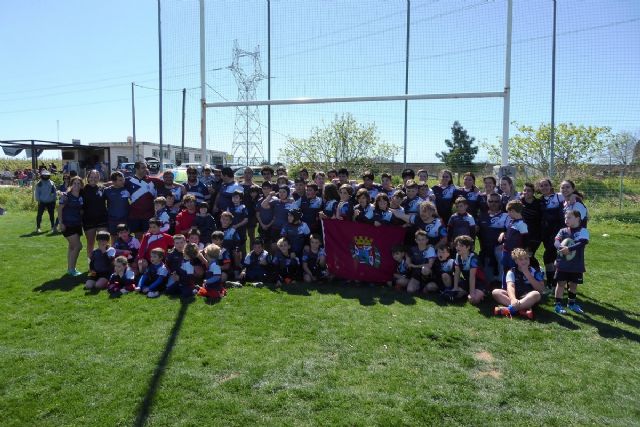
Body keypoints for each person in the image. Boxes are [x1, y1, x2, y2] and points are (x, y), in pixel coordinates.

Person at [553, 210, 590, 314]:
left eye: (569, 217)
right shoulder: (563, 230)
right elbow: (556, 241)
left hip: (576, 264)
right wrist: (561, 247)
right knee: (561, 283)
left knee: (573, 284)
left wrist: (569, 249)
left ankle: (572, 304)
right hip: (563, 264)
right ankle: (558, 305)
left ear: (578, 218)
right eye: (565, 218)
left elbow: (582, 243)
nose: (566, 220)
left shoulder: (583, 231)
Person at [492, 248, 545, 318]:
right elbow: (510, 286)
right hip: (515, 296)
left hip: (528, 297)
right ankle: (521, 309)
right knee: (495, 292)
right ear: (516, 261)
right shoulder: (511, 272)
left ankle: (510, 309)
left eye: (526, 258)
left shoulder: (535, 271)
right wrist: (513, 299)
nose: (524, 261)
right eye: (521, 259)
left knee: (536, 294)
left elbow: (541, 289)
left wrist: (527, 273)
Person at [537, 178, 565, 289]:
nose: (544, 187)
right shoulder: (540, 200)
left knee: (548, 256)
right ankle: (556, 282)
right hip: (545, 232)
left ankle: (552, 283)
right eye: (542, 186)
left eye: (546, 185)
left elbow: (574, 197)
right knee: (552, 257)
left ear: (550, 186)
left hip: (557, 231)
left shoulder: (559, 196)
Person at [477, 193, 509, 286]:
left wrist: (504, 233)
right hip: (486, 252)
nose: (493, 203)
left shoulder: (506, 216)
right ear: (487, 202)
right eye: (490, 201)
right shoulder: (481, 216)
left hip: (500, 251)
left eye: (496, 201)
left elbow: (511, 232)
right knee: (488, 280)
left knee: (500, 280)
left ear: (500, 203)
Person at [498, 200, 529, 287]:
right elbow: (509, 234)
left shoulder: (522, 224)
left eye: (508, 211)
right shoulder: (512, 221)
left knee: (513, 270)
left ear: (513, 211)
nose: (508, 214)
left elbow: (526, 239)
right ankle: (504, 287)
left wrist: (523, 252)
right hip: (506, 251)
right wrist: (503, 237)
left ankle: (515, 288)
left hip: (515, 253)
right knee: (505, 268)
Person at [58, 176, 84, 276]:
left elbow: (80, 210)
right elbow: (59, 209)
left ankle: (70, 269)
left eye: (79, 184)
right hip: (68, 225)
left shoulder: (81, 197)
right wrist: (61, 223)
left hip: (77, 224)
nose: (76, 186)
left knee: (72, 247)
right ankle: (72, 269)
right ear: (71, 185)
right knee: (78, 246)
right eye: (74, 183)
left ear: (81, 185)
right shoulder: (66, 196)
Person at [449, 235, 486, 304]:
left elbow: (472, 277)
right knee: (456, 294)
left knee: (474, 300)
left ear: (468, 247)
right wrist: (455, 288)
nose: (458, 247)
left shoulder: (473, 258)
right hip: (467, 281)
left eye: (461, 246)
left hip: (479, 283)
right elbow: (457, 273)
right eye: (457, 245)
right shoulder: (458, 255)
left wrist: (472, 294)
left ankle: (480, 293)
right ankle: (467, 292)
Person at [125, 161, 158, 238]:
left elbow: (168, 182)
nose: (146, 169)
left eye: (146, 167)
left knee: (149, 237)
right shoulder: (128, 181)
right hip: (135, 215)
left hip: (149, 215)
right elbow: (114, 183)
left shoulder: (154, 180)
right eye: (143, 168)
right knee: (138, 237)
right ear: (136, 169)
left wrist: (181, 186)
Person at [82, 170, 108, 261]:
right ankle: (91, 265)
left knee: (104, 241)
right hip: (88, 220)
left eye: (96, 177)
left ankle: (105, 262)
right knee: (90, 243)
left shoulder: (102, 188)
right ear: (88, 178)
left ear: (99, 178)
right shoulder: (83, 189)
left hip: (102, 219)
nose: (93, 179)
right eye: (91, 177)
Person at [104, 171, 130, 238]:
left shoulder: (127, 189)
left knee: (125, 238)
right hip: (112, 219)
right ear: (114, 181)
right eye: (120, 180)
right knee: (114, 238)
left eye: (123, 179)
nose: (123, 181)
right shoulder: (107, 191)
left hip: (124, 219)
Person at [520, 182, 542, 257]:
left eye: (529, 190)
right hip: (522, 234)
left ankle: (536, 268)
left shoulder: (539, 203)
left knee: (529, 256)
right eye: (524, 190)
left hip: (535, 235)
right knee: (522, 256)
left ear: (533, 192)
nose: (526, 192)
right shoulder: (519, 202)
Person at [256, 181, 276, 250]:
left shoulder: (275, 200)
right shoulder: (260, 200)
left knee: (272, 246)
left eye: (268, 188)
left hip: (272, 226)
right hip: (262, 226)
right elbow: (258, 214)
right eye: (264, 188)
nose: (266, 190)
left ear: (271, 189)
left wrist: (268, 225)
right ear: (262, 189)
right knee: (263, 245)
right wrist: (262, 224)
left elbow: (275, 215)